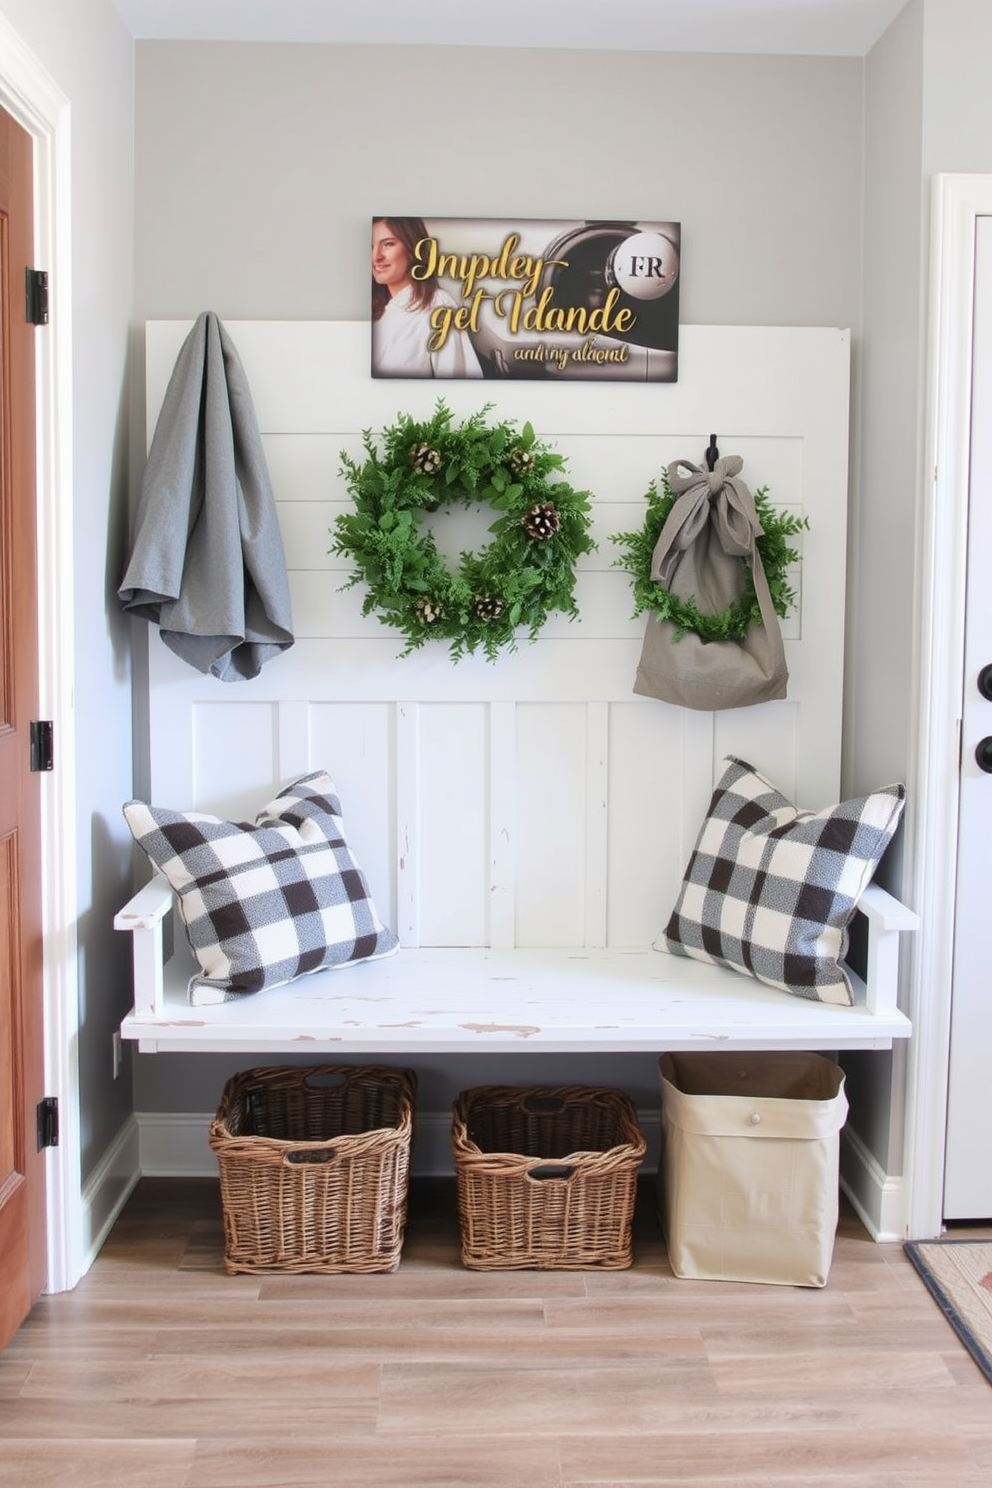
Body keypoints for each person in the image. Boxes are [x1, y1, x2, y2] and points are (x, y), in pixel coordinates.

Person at [371, 217, 483, 378]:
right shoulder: (373, 310)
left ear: (413, 248)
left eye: (388, 244)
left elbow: (460, 387)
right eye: (371, 247)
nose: (376, 257)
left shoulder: (438, 305)